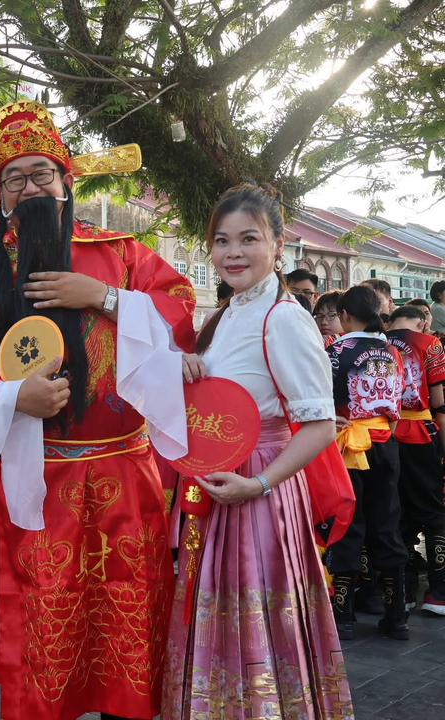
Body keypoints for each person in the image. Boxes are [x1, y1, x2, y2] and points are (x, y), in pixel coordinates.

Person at [0, 101, 196, 720]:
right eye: (14, 178)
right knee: (44, 633)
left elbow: (181, 306)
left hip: (124, 474)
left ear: (66, 180)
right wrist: (14, 397)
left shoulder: (123, 254)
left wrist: (105, 297)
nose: (30, 187)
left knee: (129, 625)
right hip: (39, 479)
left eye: (41, 173)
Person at [167, 184, 352, 718]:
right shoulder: (226, 315)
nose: (233, 253)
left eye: (249, 239)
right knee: (219, 611)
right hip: (218, 484)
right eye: (221, 241)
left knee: (257, 615)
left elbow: (320, 426)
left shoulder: (284, 317)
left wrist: (259, 484)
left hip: (259, 487)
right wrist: (186, 367)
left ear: (277, 245)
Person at [326, 285, 409, 640]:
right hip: (385, 443)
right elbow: (398, 404)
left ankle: (344, 616)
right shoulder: (393, 352)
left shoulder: (336, 351)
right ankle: (396, 616)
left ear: (345, 315)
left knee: (347, 523)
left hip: (347, 446)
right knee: (387, 523)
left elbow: (323, 399)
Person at [386, 304, 445, 616]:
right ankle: (439, 592)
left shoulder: (378, 342)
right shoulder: (430, 344)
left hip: (384, 436)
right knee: (433, 512)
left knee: (397, 512)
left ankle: (403, 591)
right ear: (422, 323)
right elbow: (439, 402)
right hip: (420, 434)